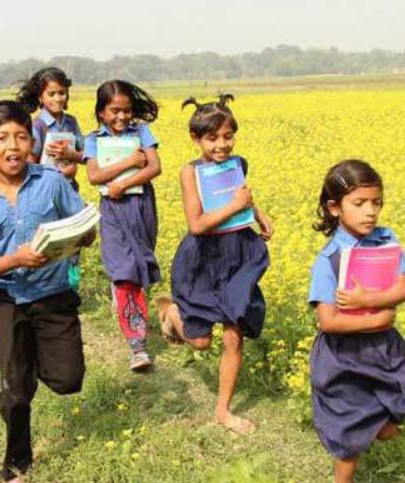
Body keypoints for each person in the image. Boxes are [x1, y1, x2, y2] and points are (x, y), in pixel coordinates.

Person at [0, 101, 95, 482]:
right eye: (2, 138)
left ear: (32, 142)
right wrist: (15, 259)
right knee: (16, 394)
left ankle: (21, 373)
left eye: (20, 137)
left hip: (53, 294)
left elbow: (86, 228)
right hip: (6, 298)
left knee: (68, 380)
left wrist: (82, 235)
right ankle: (17, 464)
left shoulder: (52, 182)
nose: (12, 146)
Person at [157, 95, 274, 434]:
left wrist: (258, 214)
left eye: (228, 136)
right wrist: (238, 205)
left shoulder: (238, 163)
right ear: (196, 138)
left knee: (234, 336)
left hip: (239, 256)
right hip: (203, 258)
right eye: (213, 138)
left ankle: (223, 411)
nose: (222, 144)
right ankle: (173, 314)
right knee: (201, 342)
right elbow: (197, 224)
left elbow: (240, 197)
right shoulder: (190, 172)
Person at [307, 159, 405, 483]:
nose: (370, 212)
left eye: (376, 202)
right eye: (359, 203)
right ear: (334, 208)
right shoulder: (329, 259)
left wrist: (366, 301)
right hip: (343, 356)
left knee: (392, 415)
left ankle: (379, 429)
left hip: (383, 349)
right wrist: (379, 319)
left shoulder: (386, 240)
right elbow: (328, 322)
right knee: (350, 435)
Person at [84, 80, 161, 371]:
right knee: (124, 272)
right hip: (113, 210)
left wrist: (124, 183)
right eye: (114, 111)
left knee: (139, 267)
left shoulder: (141, 132)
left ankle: (126, 301)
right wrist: (129, 163)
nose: (121, 117)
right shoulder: (93, 139)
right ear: (101, 113)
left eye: (126, 111)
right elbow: (94, 176)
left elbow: (155, 167)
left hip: (141, 207)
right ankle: (137, 345)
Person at [16, 66, 84, 190]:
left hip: (70, 189)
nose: (57, 99)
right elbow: (29, 165)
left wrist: (72, 156)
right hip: (45, 190)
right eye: (51, 94)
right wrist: (58, 174)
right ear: (40, 98)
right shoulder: (37, 126)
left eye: (62, 93)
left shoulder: (71, 122)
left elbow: (86, 156)